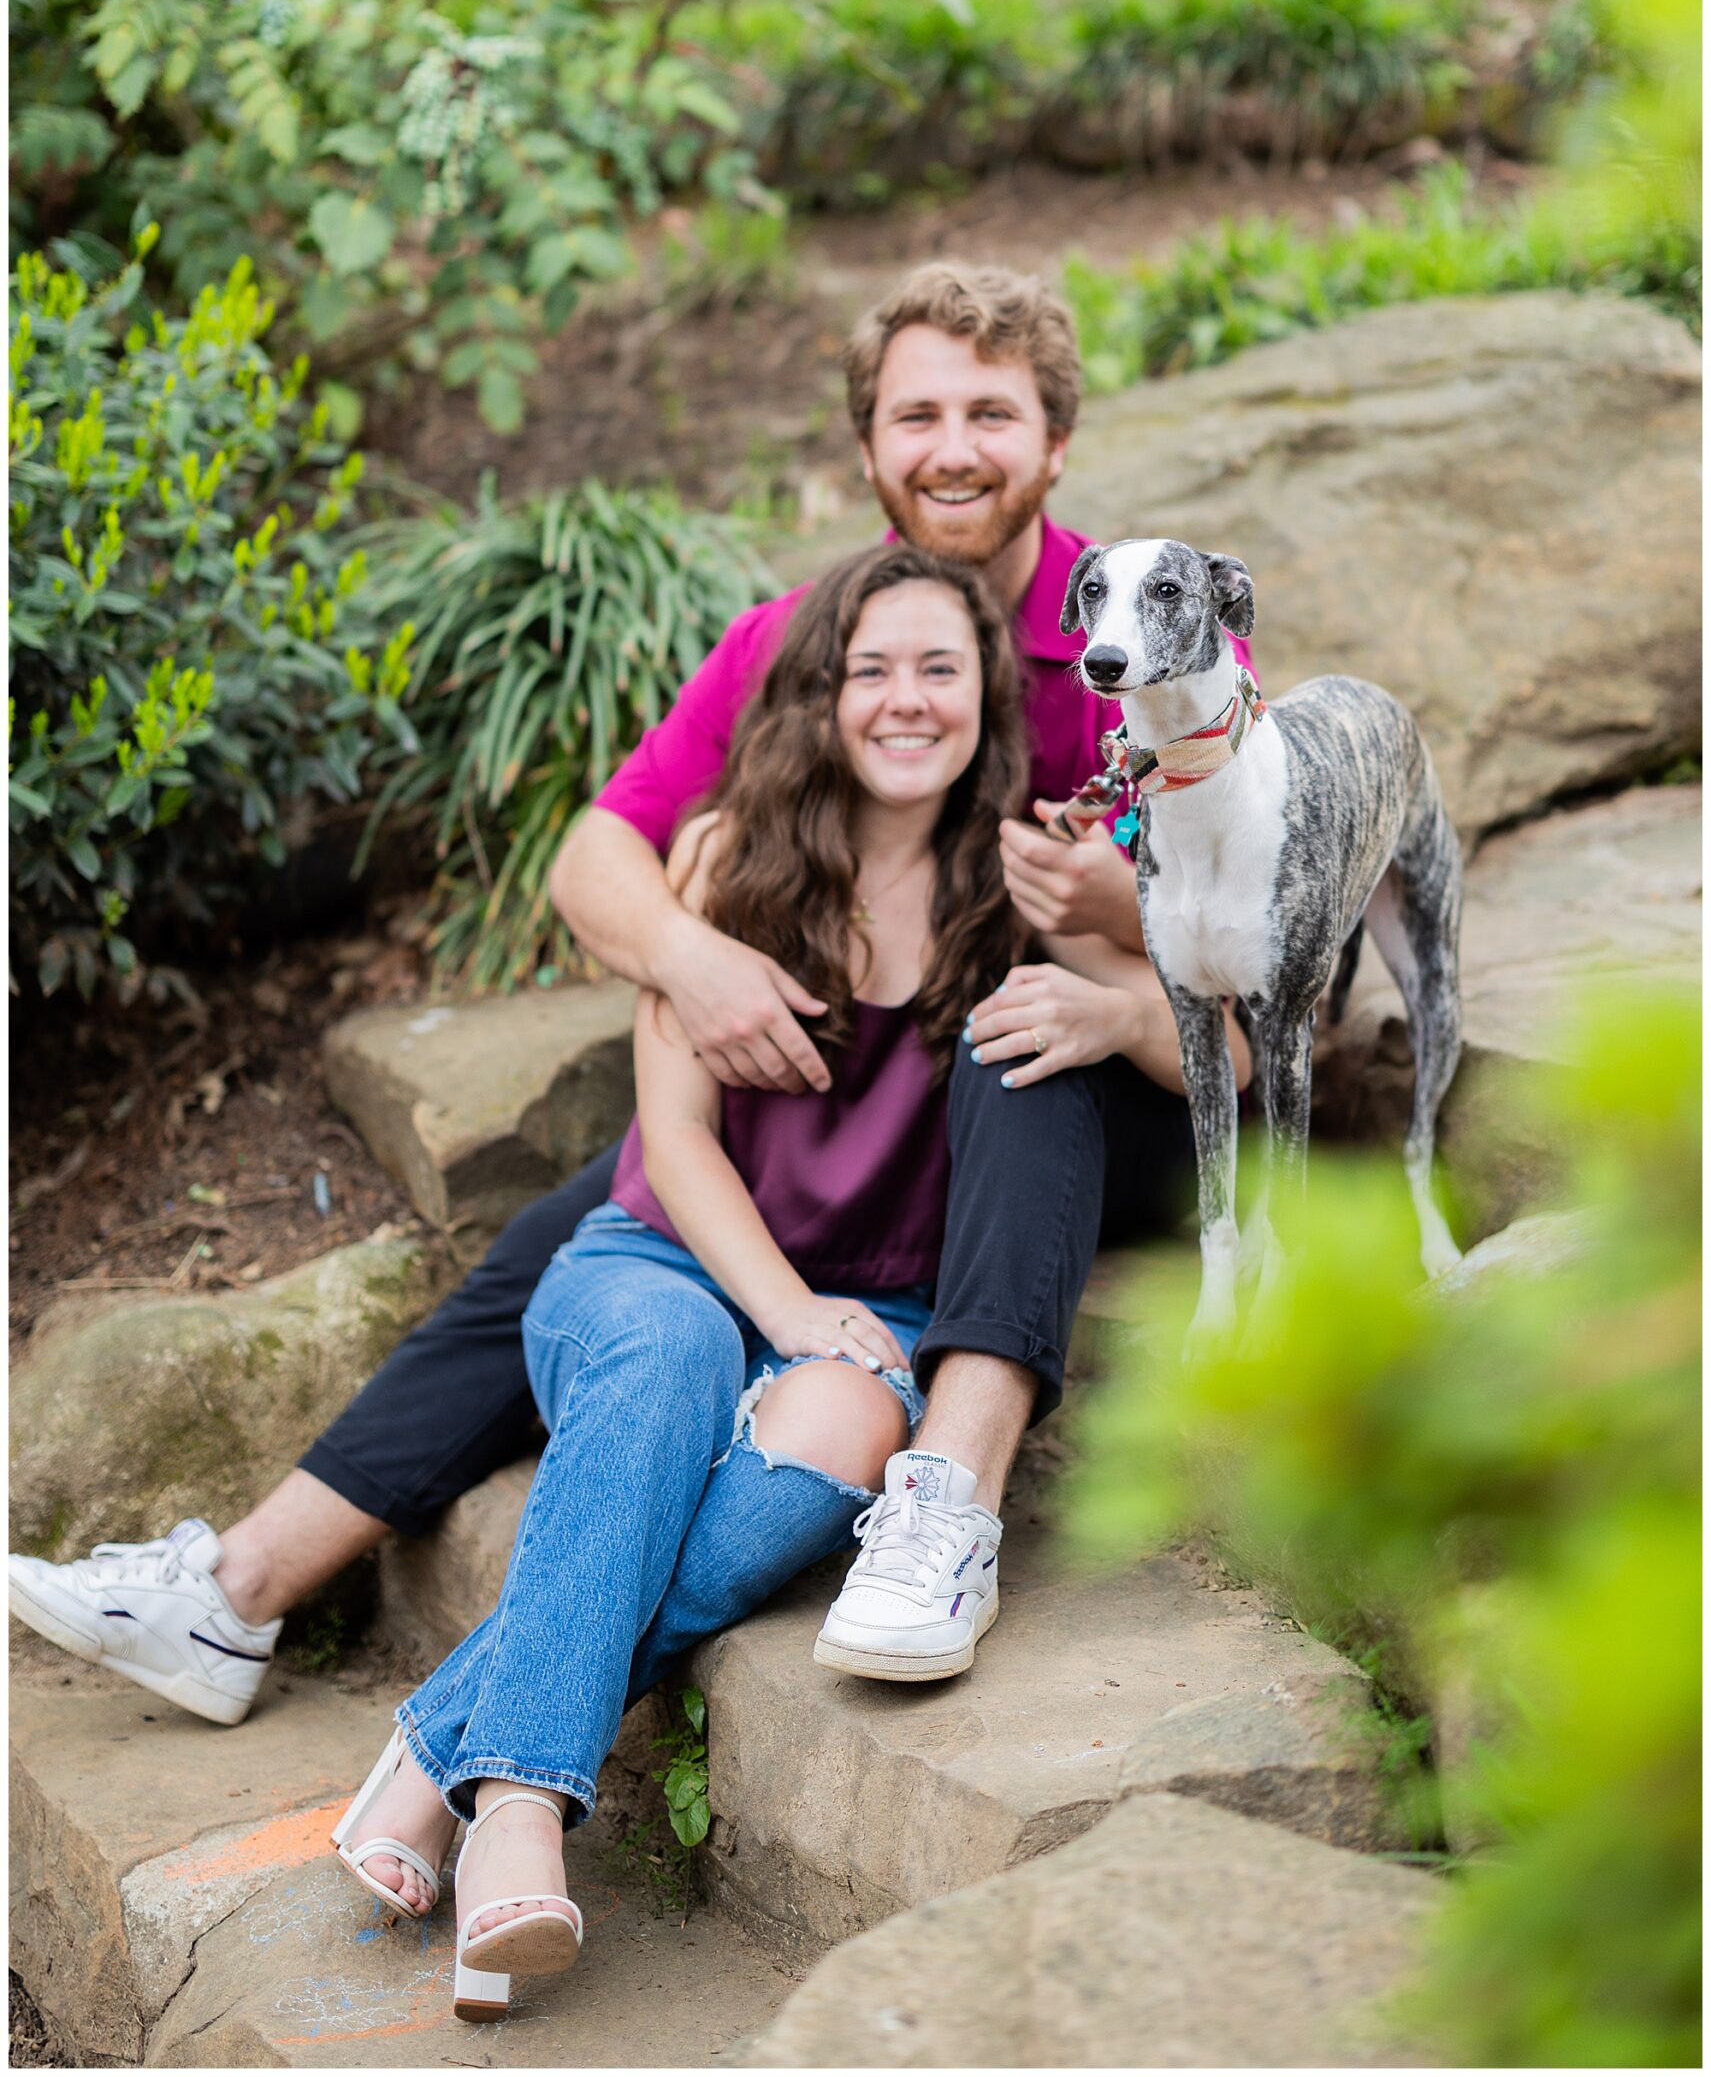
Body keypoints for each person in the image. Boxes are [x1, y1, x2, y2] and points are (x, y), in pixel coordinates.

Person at [9, 264, 1251, 1752]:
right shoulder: (808, 640)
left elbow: (1258, 948)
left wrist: (1110, 914)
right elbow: (596, 856)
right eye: (916, 414)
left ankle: (953, 1499)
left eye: (993, 413)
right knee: (621, 1199)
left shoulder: (1149, 622)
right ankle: (239, 1588)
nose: (953, 449)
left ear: (1056, 441)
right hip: (877, 1098)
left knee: (1020, 1039)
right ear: (867, 446)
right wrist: (689, 956)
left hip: (1119, 1081)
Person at [333, 543, 1036, 2020]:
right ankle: (519, 1814)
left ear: (989, 695)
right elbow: (677, 1139)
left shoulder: (1015, 883)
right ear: (821, 692)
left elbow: (1208, 1022)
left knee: (851, 1427)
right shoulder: (725, 859)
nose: (907, 700)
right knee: (671, 1364)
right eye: (872, 669)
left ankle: (436, 1746)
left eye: (942, 669)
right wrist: (781, 1316)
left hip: (879, 1300)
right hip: (659, 1261)